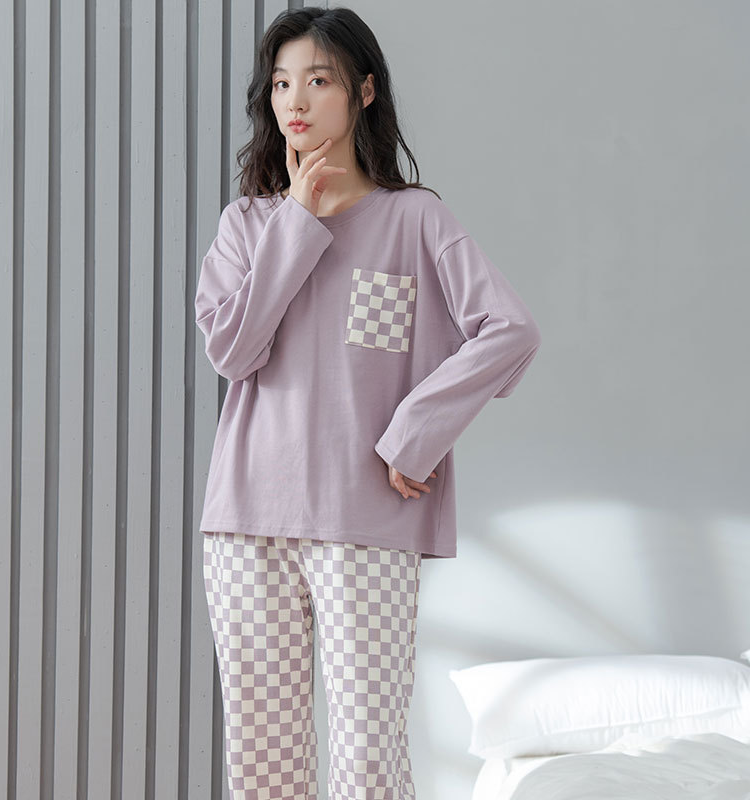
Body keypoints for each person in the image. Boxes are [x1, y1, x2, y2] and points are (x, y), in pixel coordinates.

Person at [195, 6, 541, 799]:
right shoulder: (248, 225)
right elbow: (233, 352)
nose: (296, 100)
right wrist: (296, 221)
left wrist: (415, 433)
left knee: (367, 752)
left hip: (366, 520)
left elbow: (510, 330)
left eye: (318, 80)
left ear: (365, 91)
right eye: (282, 83)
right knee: (263, 757)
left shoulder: (415, 219)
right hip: (246, 519)